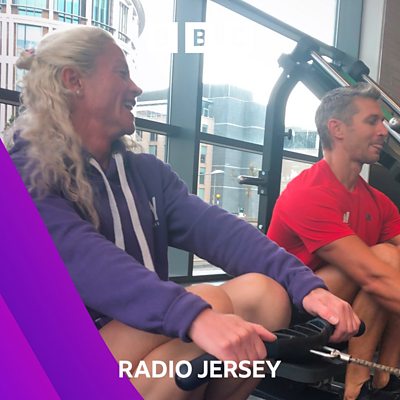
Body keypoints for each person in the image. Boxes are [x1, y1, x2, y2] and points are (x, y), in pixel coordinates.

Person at [7, 26, 359, 400]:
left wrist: (306, 287)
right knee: (209, 304)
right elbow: (90, 263)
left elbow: (219, 231)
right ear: (73, 81)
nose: (136, 88)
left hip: (133, 346)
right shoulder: (22, 175)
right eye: (122, 73)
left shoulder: (145, 174)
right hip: (59, 366)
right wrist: (193, 317)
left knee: (265, 295)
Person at [268, 83, 400, 400]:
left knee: (392, 261)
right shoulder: (309, 193)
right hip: (295, 313)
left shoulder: (378, 202)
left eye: (383, 122)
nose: (383, 131)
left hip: (346, 304)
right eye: (372, 121)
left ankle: (385, 377)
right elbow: (375, 276)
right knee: (384, 261)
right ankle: (356, 386)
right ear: (337, 129)